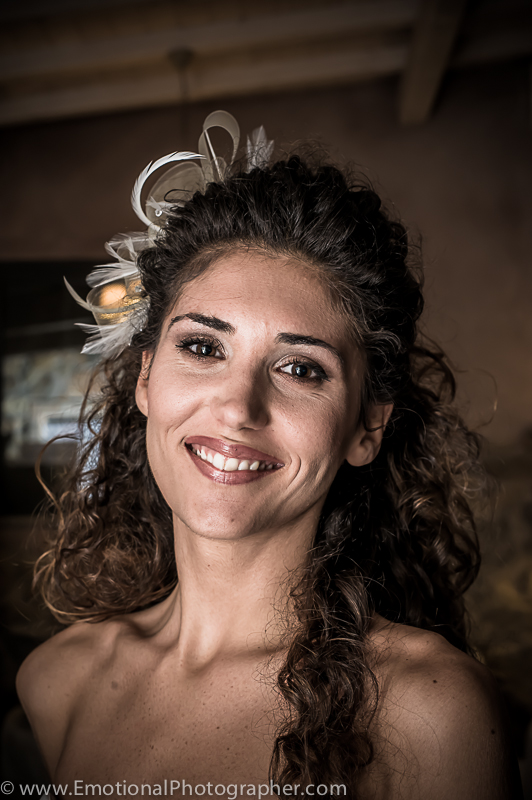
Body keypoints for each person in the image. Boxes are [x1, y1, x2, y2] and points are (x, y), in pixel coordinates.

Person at [16, 113, 521, 799]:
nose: (238, 408)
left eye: (301, 369)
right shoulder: (56, 683)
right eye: (203, 347)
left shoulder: (430, 715)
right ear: (145, 378)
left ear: (366, 427)